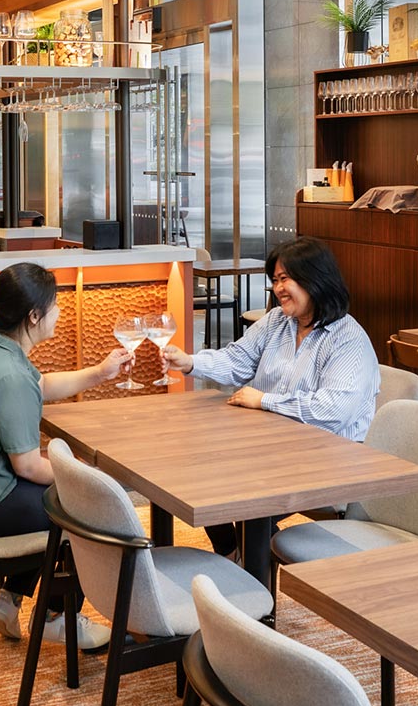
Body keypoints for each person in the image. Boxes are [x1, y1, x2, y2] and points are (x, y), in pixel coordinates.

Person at [0, 261, 130, 650]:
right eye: (55, 306)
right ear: (34, 316)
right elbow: (28, 466)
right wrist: (88, 478)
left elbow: (41, 386)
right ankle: (54, 617)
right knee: (85, 506)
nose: (60, 312)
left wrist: (100, 373)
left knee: (59, 495)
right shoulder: (8, 374)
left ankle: (9, 597)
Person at [162, 235, 379, 556]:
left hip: (330, 456)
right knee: (198, 468)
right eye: (275, 280)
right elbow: (237, 360)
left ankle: (252, 562)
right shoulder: (278, 321)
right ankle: (233, 553)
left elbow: (333, 411)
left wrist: (264, 400)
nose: (278, 288)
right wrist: (190, 362)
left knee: (235, 492)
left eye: (285, 279)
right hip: (274, 445)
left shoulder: (347, 338)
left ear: (315, 280)